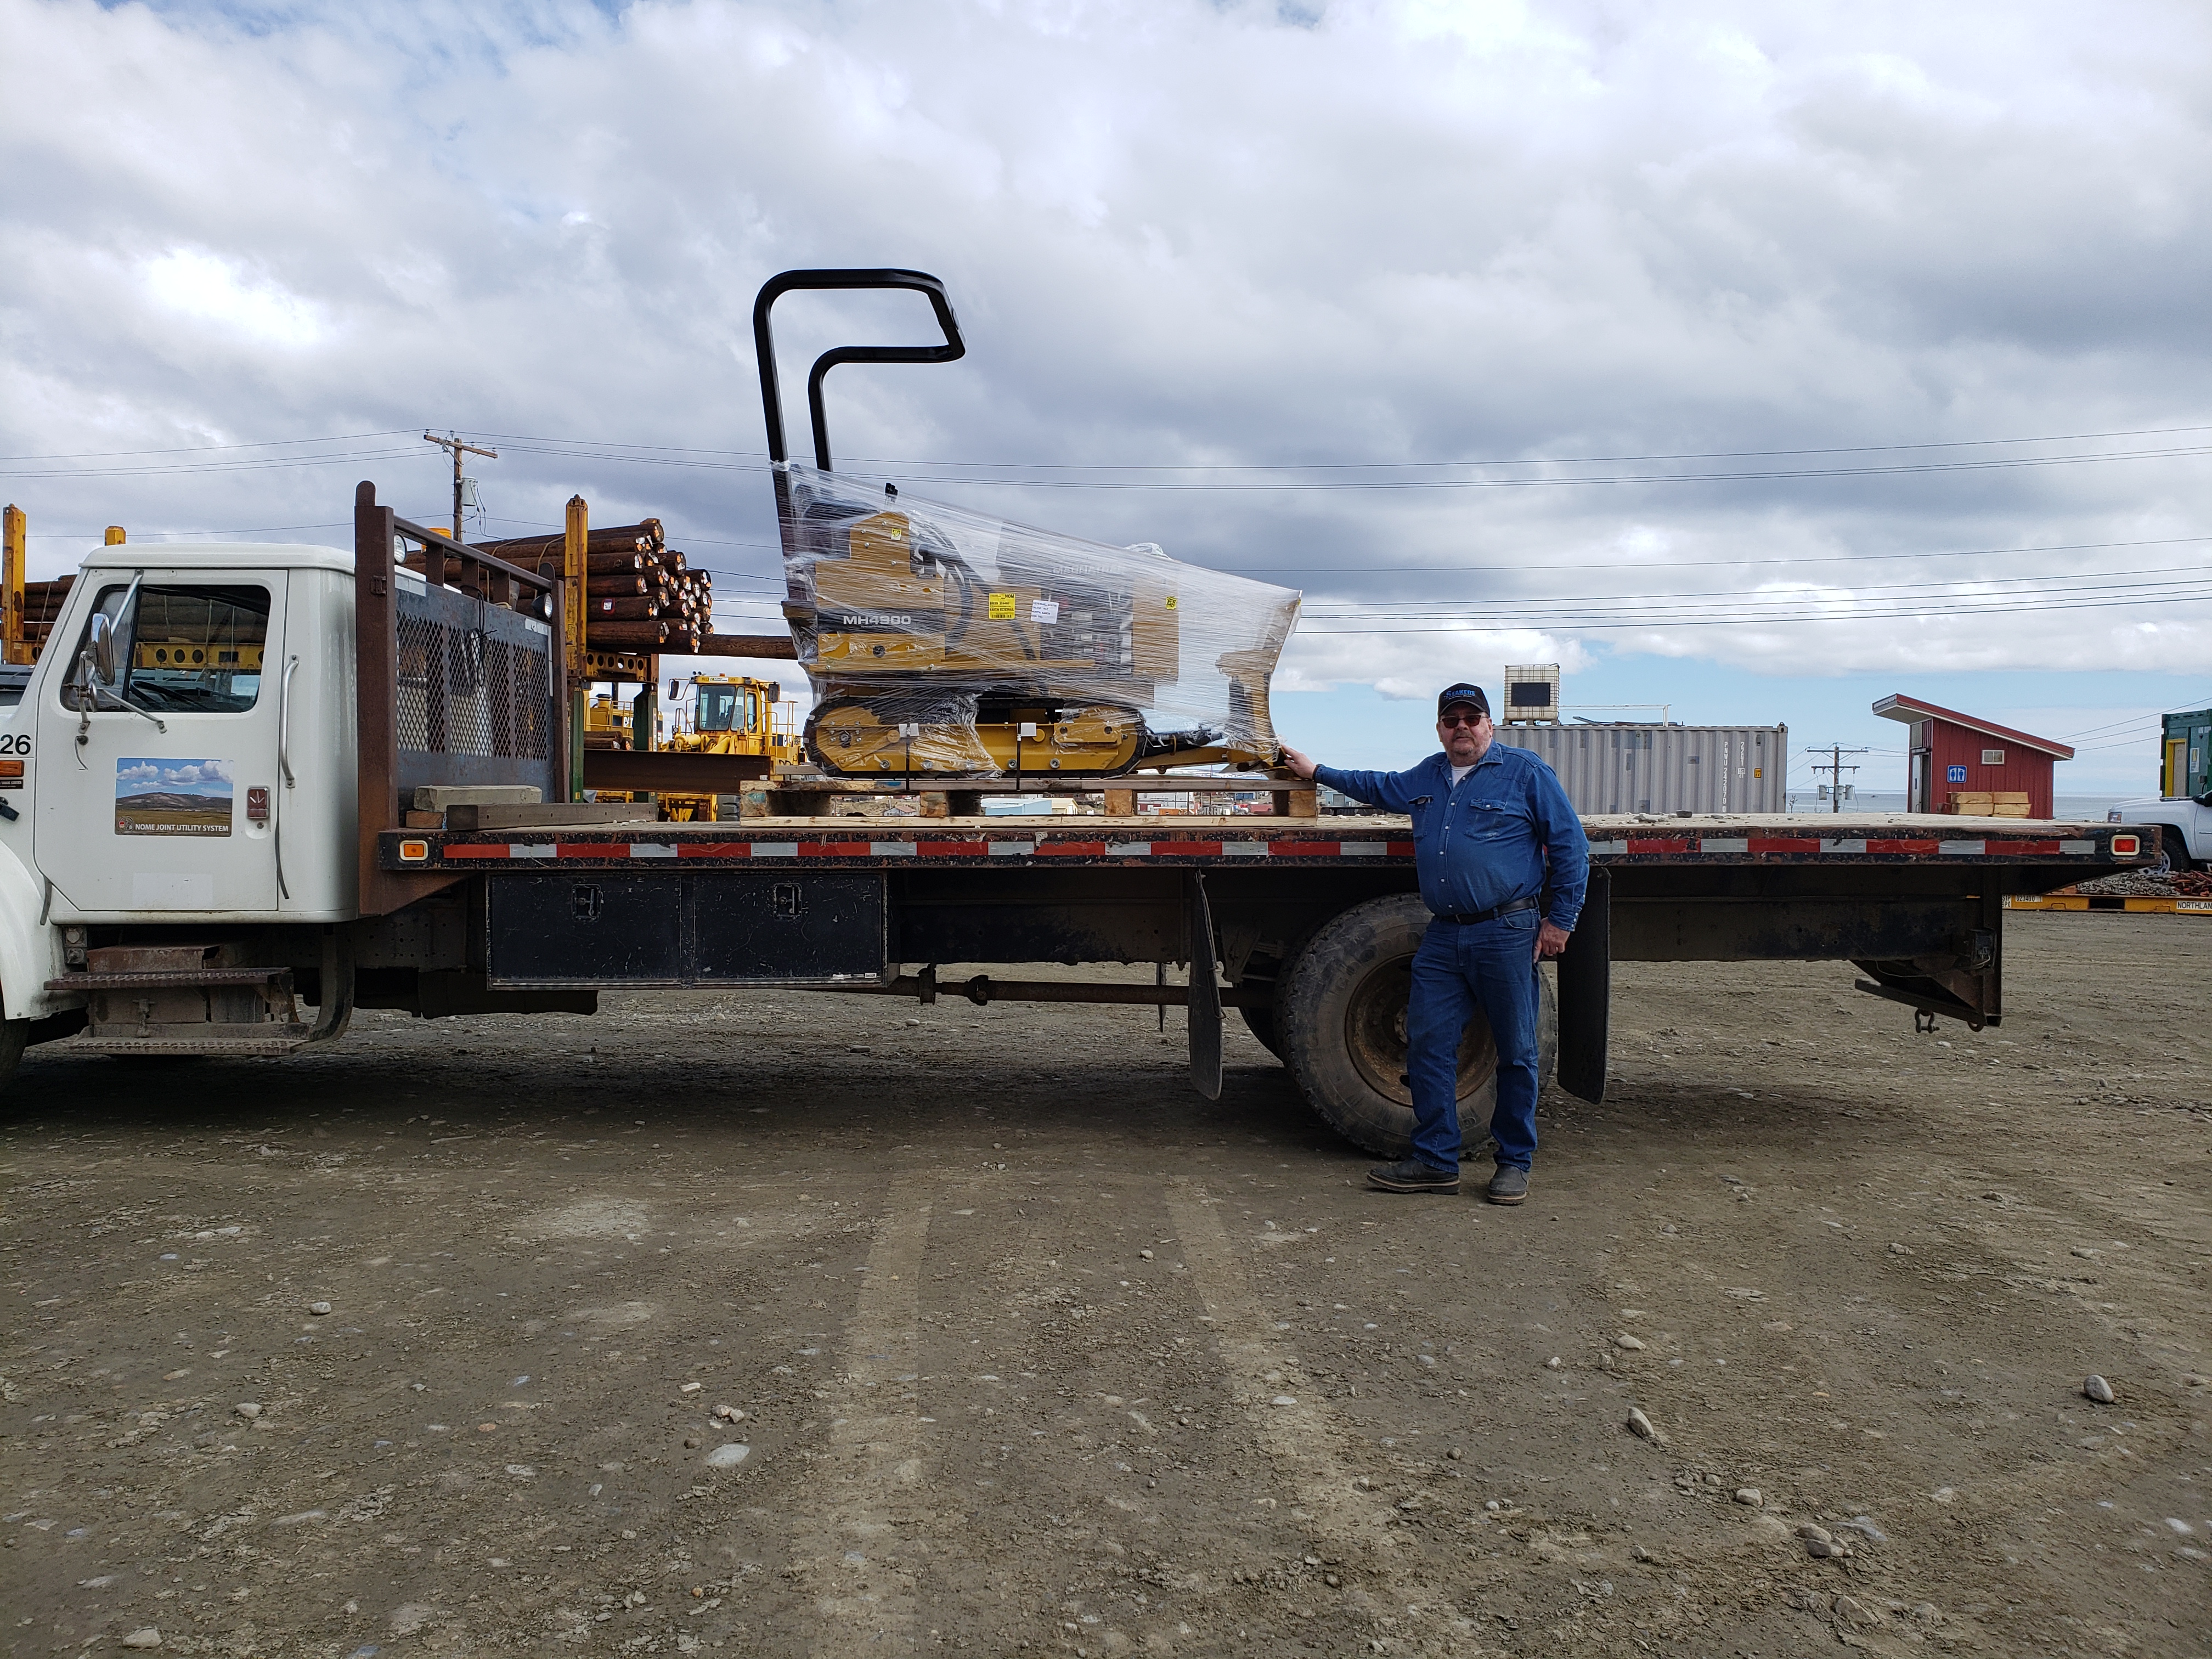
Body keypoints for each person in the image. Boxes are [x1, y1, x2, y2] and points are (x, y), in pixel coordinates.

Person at [1280, 682, 1588, 1204]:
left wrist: (1560, 921)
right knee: (1427, 1043)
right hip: (1445, 933)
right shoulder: (1428, 775)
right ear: (1440, 729)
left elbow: (1570, 845)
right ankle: (1436, 1160)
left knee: (1516, 1050)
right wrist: (1317, 772)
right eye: (1452, 720)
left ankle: (1514, 1162)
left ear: (1489, 725)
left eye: (1472, 718)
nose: (1461, 727)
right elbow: (1376, 785)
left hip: (1506, 930)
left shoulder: (1525, 773)